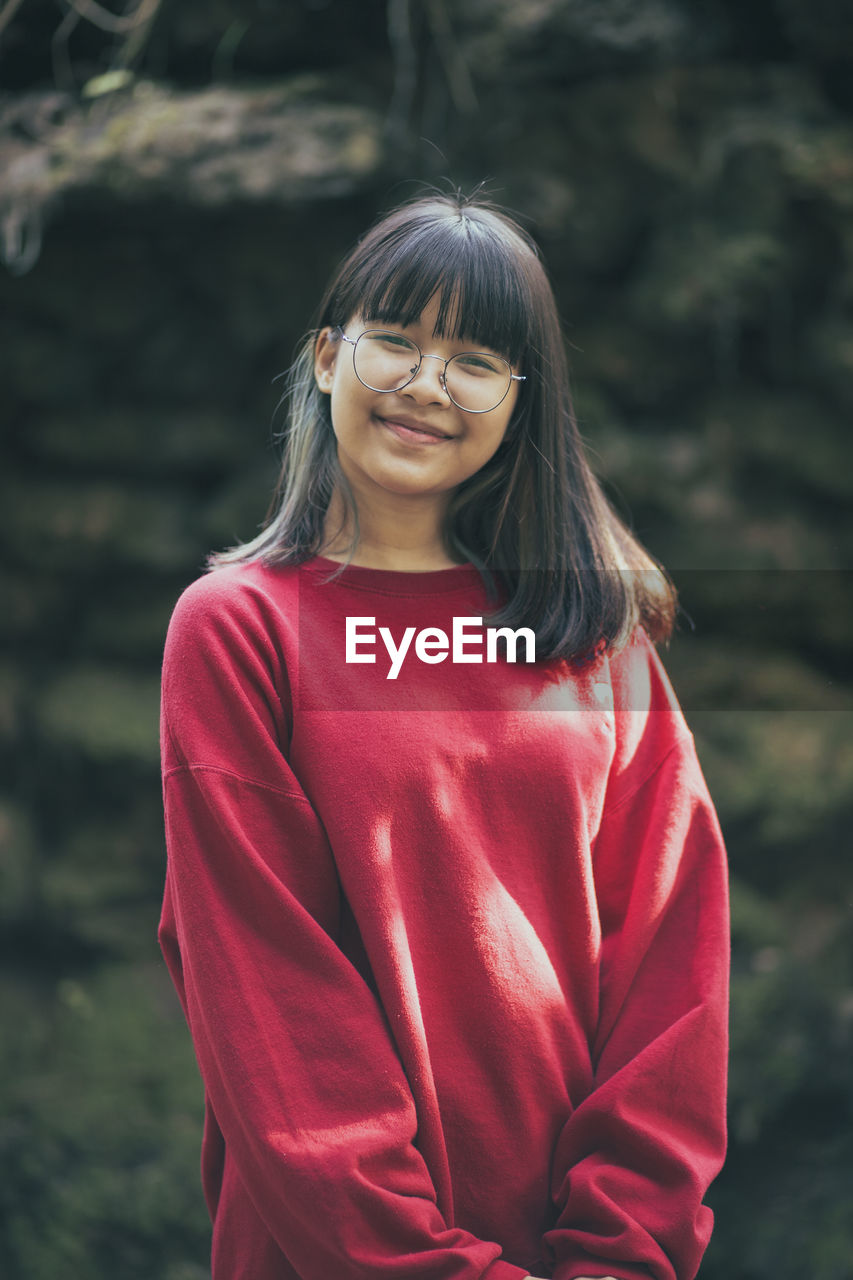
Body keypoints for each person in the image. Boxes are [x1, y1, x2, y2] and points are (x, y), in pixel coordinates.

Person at [157, 189, 729, 1280]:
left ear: (522, 401)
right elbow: (270, 1010)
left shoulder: (591, 632)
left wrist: (620, 1255)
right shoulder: (239, 629)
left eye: (474, 358)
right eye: (395, 341)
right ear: (328, 357)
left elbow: (674, 968)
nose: (426, 385)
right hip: (336, 1255)